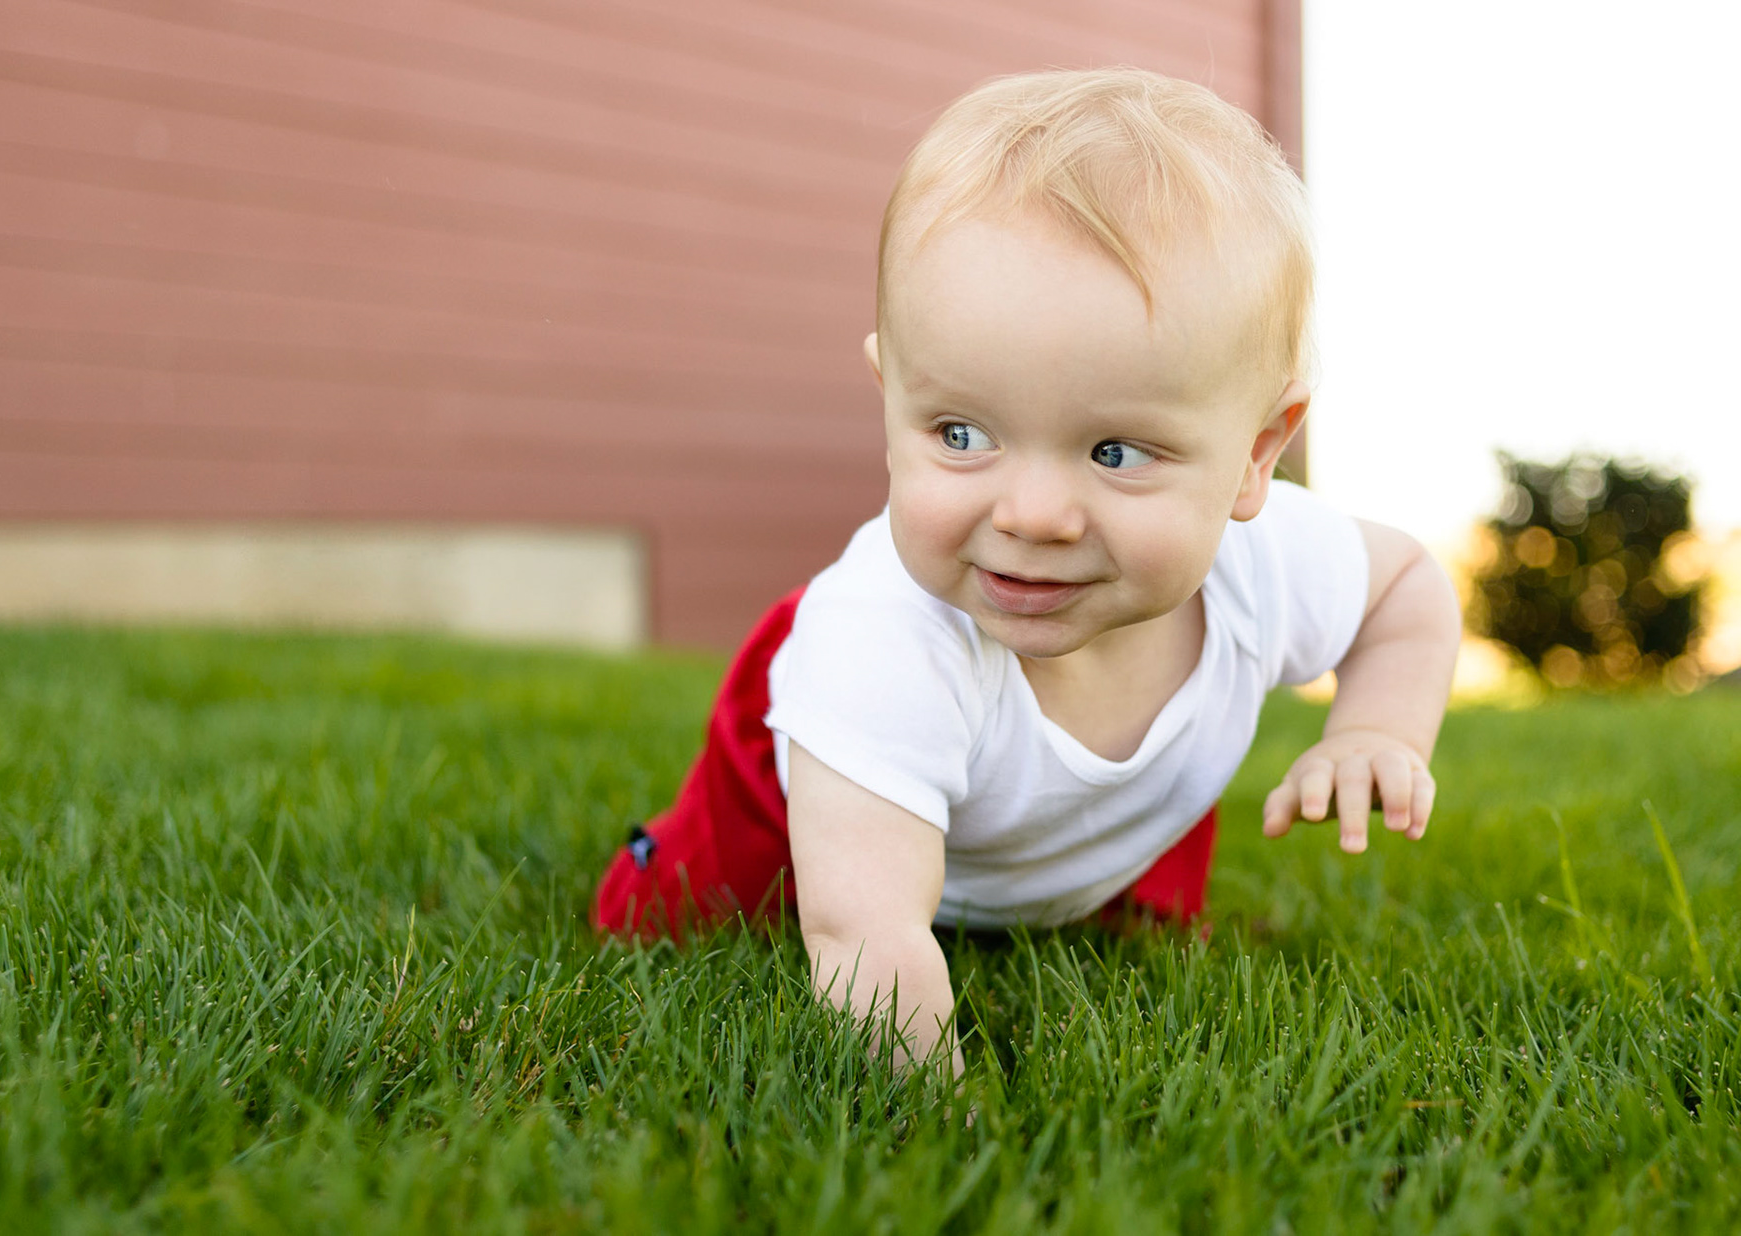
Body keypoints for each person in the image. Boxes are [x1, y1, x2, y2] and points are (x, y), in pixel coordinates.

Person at [589, 67, 1462, 1071]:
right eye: (961, 433)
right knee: (700, 909)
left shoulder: (1265, 570)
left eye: (1116, 453)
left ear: (1257, 452)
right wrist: (934, 1120)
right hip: (796, 776)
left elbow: (1405, 590)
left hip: (1082, 816)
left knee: (1130, 899)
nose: (1032, 516)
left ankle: (1088, 889)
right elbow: (863, 939)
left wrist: (1376, 732)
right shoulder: (877, 650)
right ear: (890, 400)